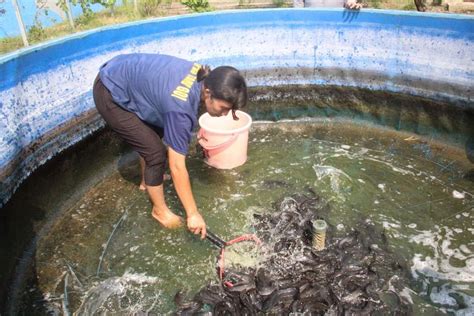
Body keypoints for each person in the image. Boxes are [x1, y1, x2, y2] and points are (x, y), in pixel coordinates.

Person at [92, 53, 248, 239]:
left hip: (122, 72)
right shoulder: (180, 110)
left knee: (154, 133)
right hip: (109, 90)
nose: (224, 114)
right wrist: (193, 213)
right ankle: (159, 211)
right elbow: (176, 167)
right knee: (156, 155)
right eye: (223, 108)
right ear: (208, 93)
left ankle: (146, 181)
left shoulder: (204, 76)